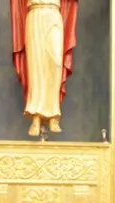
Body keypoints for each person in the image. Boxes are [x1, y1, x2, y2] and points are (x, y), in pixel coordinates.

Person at [10, 0, 78, 136]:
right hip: (35, 14)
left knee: (55, 64)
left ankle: (54, 113)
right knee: (35, 65)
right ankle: (35, 116)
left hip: (53, 13)